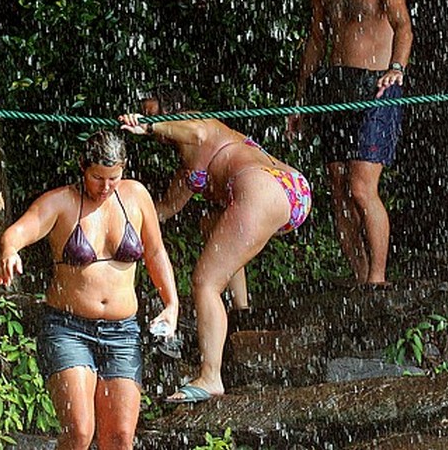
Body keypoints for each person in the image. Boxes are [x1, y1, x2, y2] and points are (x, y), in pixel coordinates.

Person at [0, 131, 179, 450]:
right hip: (68, 329)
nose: (106, 187)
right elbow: (16, 233)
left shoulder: (135, 196)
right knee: (80, 432)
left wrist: (171, 303)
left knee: (120, 439)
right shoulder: (61, 202)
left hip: (122, 332)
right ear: (82, 166)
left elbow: (155, 252)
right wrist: (10, 251)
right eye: (98, 177)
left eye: (114, 177)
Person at [119, 105, 312, 403]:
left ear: (171, 112)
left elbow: (196, 132)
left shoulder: (201, 125)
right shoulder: (188, 164)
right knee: (212, 224)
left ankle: (211, 376)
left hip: (263, 186)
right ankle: (242, 310)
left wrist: (148, 126)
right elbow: (165, 210)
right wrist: (119, 214)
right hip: (286, 190)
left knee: (205, 282)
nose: (144, 114)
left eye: (151, 110)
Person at [287, 0, 413, 287]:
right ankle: (361, 279)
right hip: (334, 86)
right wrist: (302, 98)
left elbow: (403, 26)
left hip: (377, 85)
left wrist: (397, 69)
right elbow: (317, 39)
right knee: (339, 189)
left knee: (361, 186)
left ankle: (378, 278)